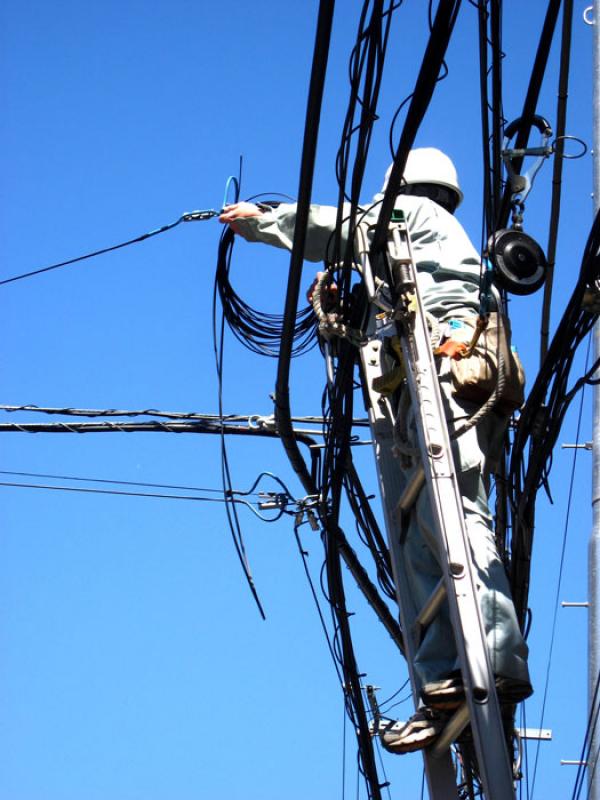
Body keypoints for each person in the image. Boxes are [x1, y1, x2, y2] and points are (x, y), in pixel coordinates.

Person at [219, 148, 532, 754]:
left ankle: (496, 657)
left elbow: (334, 227)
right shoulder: (432, 251)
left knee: (455, 512)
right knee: (420, 529)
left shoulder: (408, 215)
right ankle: (443, 680)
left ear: (406, 189)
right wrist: (354, 323)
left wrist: (258, 221)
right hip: (444, 376)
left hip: (445, 368)